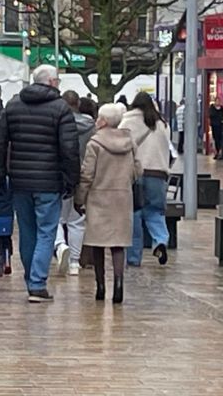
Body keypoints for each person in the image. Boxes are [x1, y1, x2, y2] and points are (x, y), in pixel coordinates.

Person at [0, 65, 79, 303]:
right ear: (52, 82)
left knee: (27, 232)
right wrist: (71, 179)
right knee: (46, 231)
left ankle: (32, 279)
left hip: (20, 179)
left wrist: (0, 173)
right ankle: (37, 283)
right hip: (49, 180)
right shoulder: (61, 108)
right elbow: (69, 148)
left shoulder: (13, 105)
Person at [75, 103, 140, 304]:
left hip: (99, 198)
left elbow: (87, 174)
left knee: (98, 243)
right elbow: (138, 169)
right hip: (122, 198)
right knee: (118, 244)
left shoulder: (95, 144)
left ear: (103, 121)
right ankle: (119, 285)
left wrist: (80, 198)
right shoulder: (129, 142)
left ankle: (101, 286)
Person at [120, 92, 172, 267]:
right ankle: (160, 240)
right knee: (155, 212)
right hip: (158, 174)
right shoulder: (162, 124)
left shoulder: (127, 122)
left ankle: (134, 258)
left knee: (134, 215)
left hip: (136, 174)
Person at [54, 90, 94, 276]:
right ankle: (75, 263)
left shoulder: (58, 123)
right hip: (82, 175)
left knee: (56, 217)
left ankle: (60, 245)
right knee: (77, 220)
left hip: (60, 174)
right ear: (78, 103)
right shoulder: (91, 125)